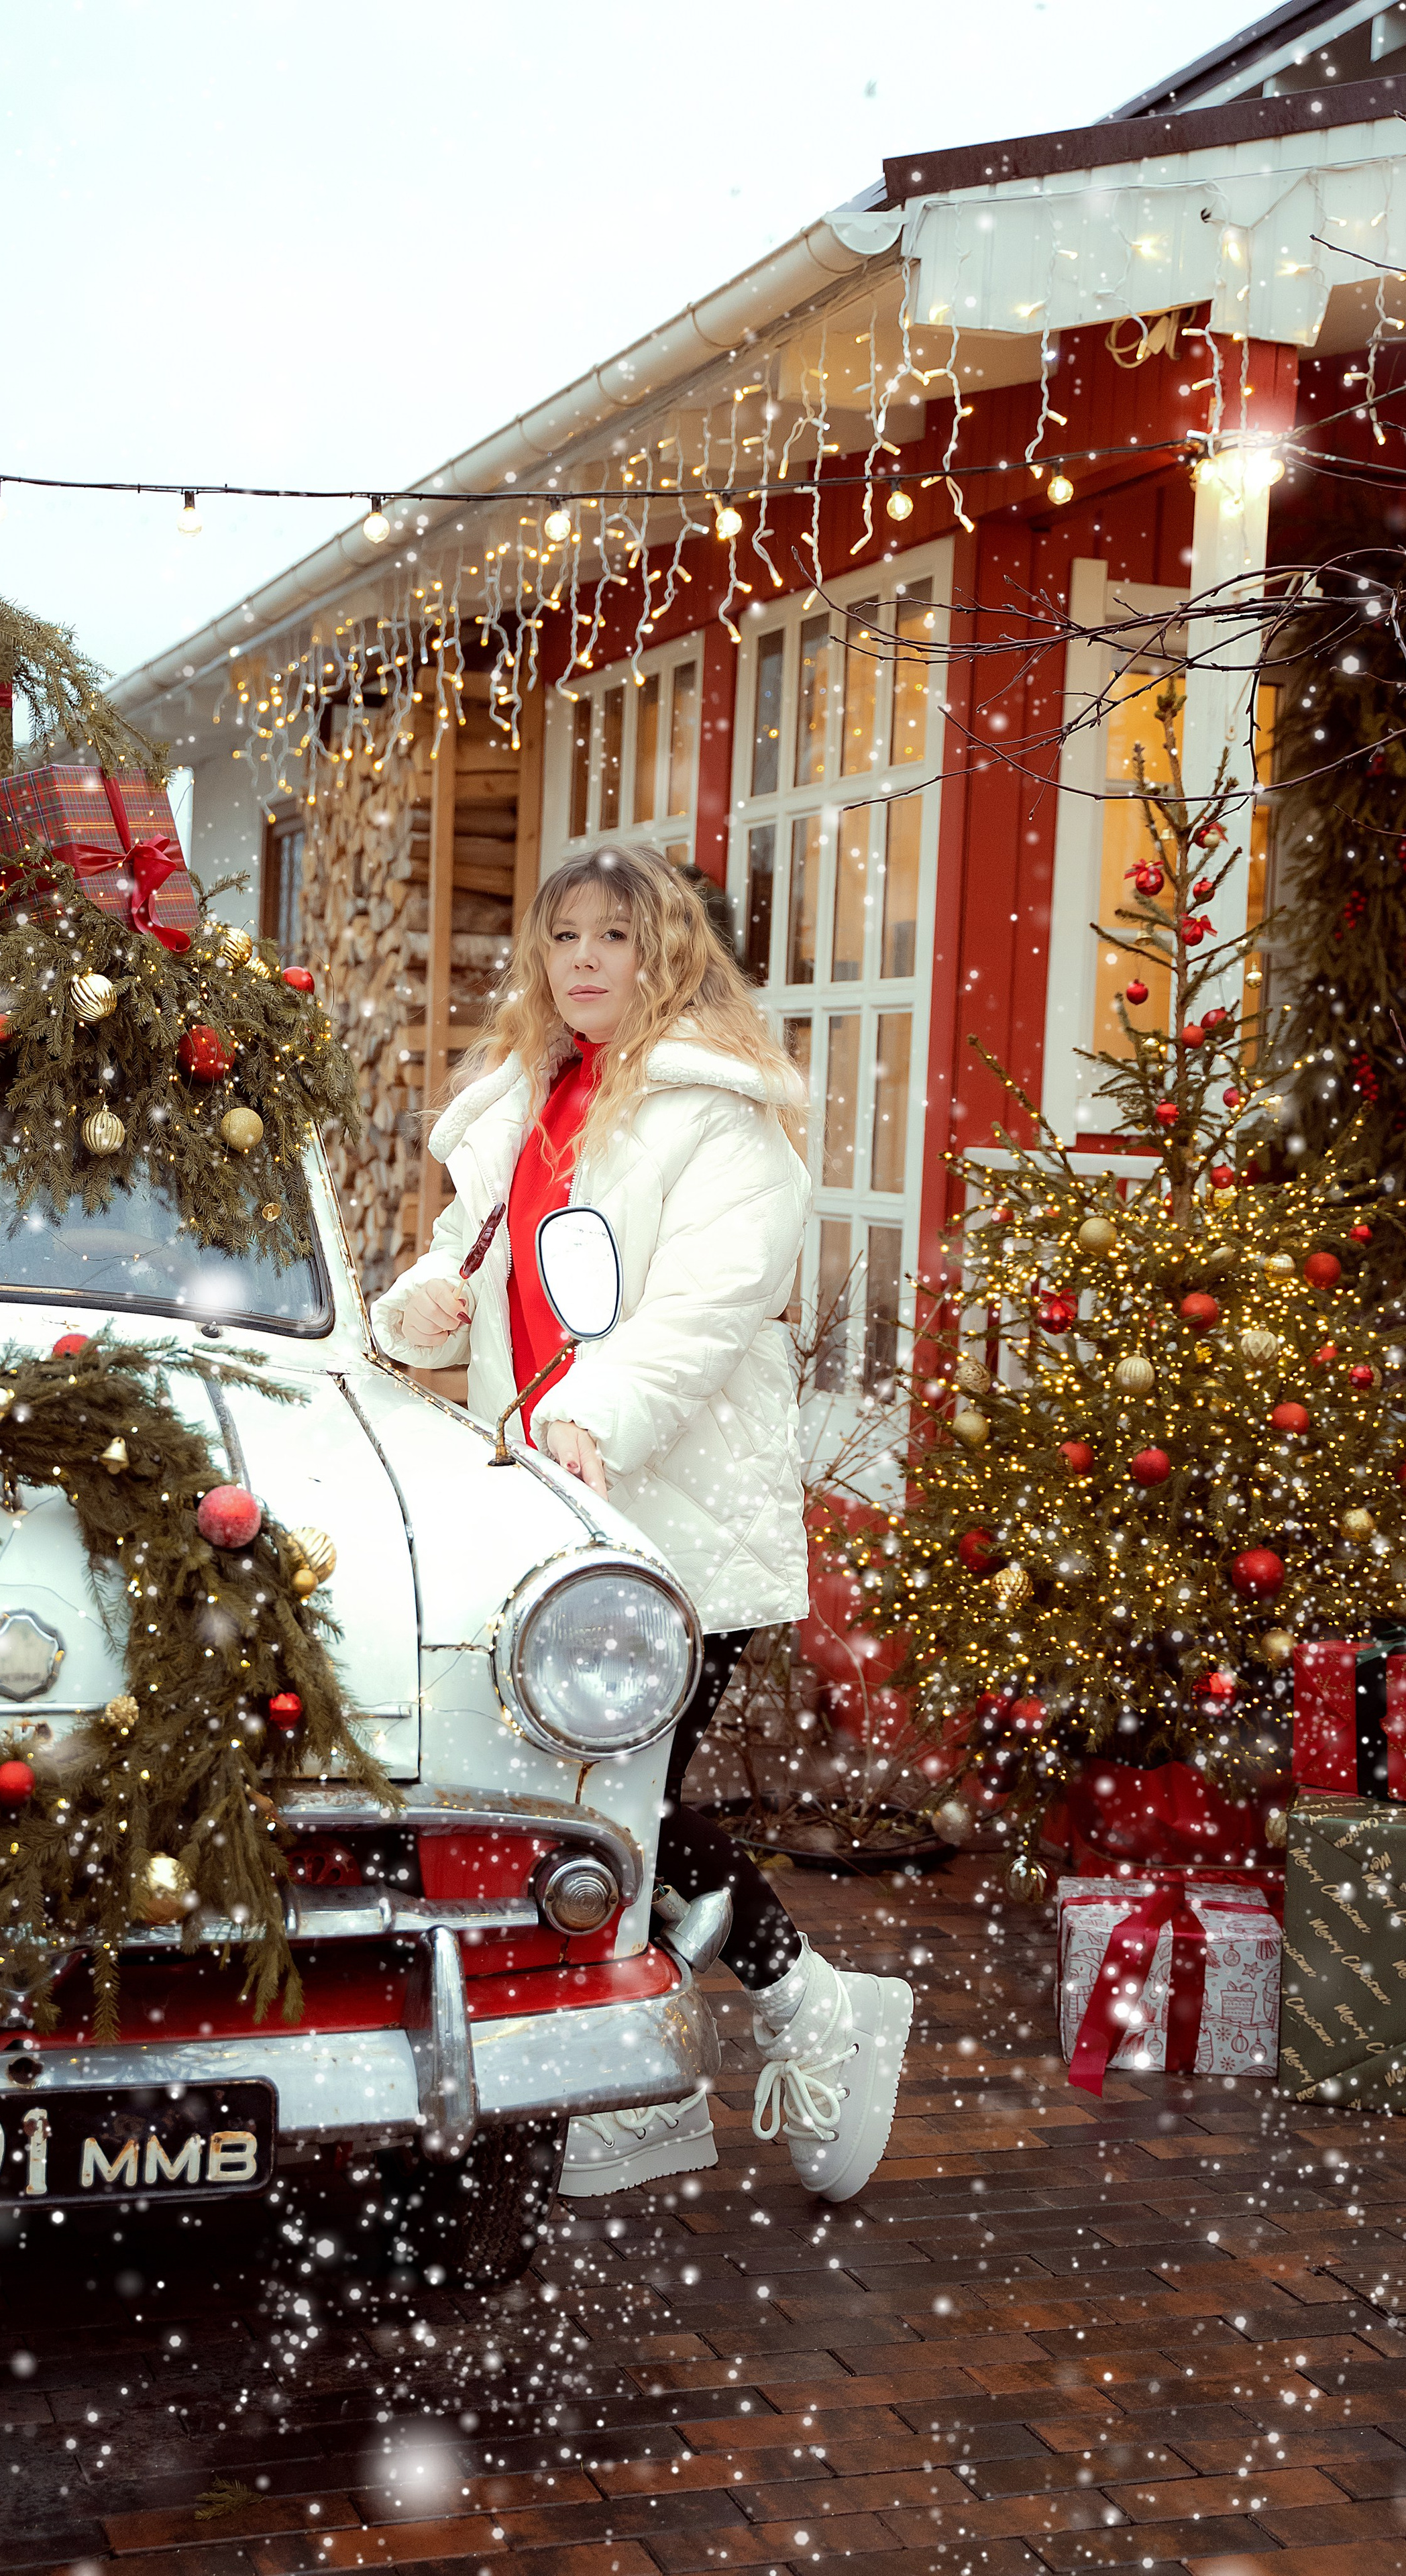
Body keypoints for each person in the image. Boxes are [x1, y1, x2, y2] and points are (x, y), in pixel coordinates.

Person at [370, 844, 912, 2203]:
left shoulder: (719, 1122)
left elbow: (700, 1311)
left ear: (666, 952)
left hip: (668, 1513)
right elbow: (469, 1254)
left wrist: (594, 1412)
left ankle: (794, 2015)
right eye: (564, 937)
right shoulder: (527, 1101)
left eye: (615, 936)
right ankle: (675, 2070)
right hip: (550, 1517)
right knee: (578, 1810)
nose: (584, 961)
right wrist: (419, 1307)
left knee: (625, 1810)